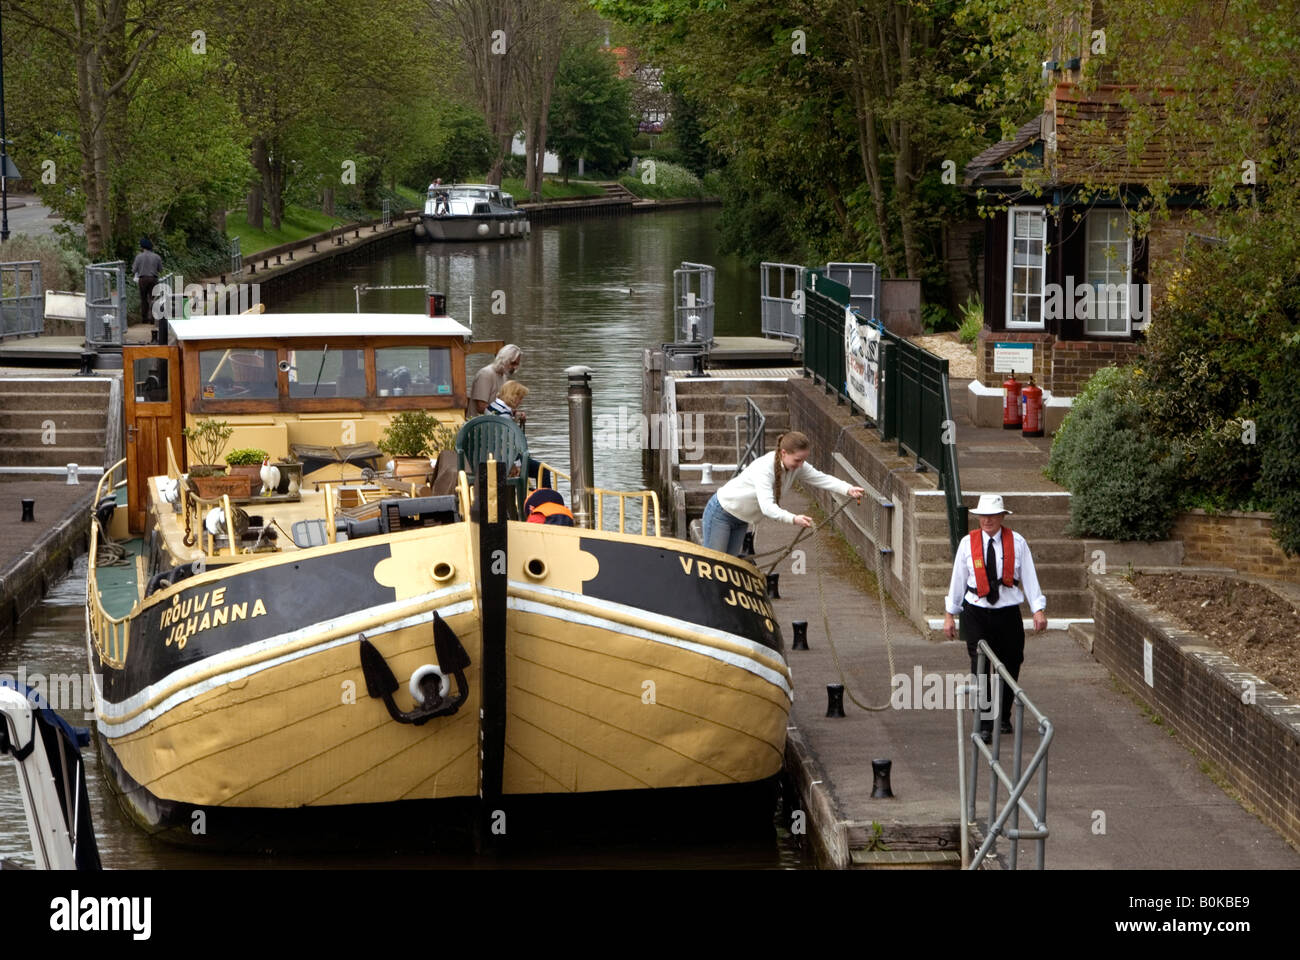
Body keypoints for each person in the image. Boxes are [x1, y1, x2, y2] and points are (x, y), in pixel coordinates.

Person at [942, 494, 1047, 743]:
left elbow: (1029, 576)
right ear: (978, 517)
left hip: (1007, 612)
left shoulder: (1018, 542)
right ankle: (985, 721)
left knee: (1010, 664)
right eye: (983, 515)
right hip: (976, 611)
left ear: (1002, 517)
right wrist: (950, 614)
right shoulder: (968, 543)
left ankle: (1004, 716)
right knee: (980, 666)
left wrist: (1037, 608)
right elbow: (957, 579)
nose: (987, 520)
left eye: (992, 515)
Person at [700, 431, 863, 557]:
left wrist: (848, 489)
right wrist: (793, 518)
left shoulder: (797, 467)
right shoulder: (765, 468)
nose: (800, 465)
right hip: (722, 513)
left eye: (803, 460)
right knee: (714, 564)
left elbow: (821, 478)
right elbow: (767, 507)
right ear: (784, 453)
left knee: (728, 566)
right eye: (797, 460)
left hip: (742, 519)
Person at [487, 379, 552, 488]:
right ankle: (545, 500)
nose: (521, 401)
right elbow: (508, 443)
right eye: (520, 398)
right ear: (513, 396)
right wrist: (517, 465)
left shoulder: (492, 407)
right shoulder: (504, 415)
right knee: (543, 470)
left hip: (491, 454)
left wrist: (515, 416)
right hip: (504, 458)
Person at [466, 344, 521, 417]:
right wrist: (507, 413)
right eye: (513, 363)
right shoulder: (485, 374)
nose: (515, 367)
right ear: (504, 359)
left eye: (517, 364)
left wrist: (514, 413)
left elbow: (501, 406)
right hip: (478, 424)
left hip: (494, 422)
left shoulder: (503, 376)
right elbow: (481, 407)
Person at [131, 237, 163, 343]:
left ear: (142, 247)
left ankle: (144, 319)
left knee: (143, 299)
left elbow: (133, 269)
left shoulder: (139, 257)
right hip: (153, 279)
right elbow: (160, 269)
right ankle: (153, 319)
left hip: (143, 279)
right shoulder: (157, 257)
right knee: (153, 299)